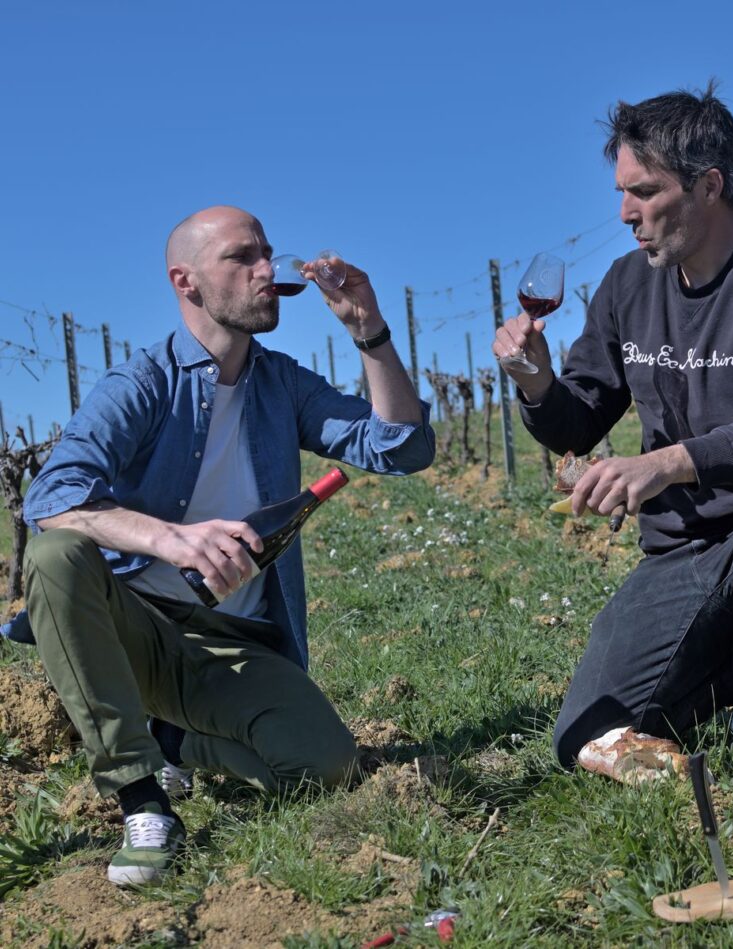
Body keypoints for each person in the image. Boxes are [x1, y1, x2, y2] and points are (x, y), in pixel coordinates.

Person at [19, 205, 435, 886]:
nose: (267, 270)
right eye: (242, 258)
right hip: (137, 630)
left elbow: (403, 448)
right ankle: (142, 797)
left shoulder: (282, 384)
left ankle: (176, 739)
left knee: (323, 767)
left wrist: (372, 334)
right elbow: (51, 498)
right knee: (53, 554)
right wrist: (171, 538)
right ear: (186, 281)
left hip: (231, 641)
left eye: (267, 253)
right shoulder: (143, 384)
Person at [493, 83, 733, 792]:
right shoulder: (627, 285)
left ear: (709, 185)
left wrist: (670, 463)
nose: (624, 213)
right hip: (681, 553)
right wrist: (536, 381)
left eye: (643, 191)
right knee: (585, 734)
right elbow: (578, 417)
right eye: (621, 191)